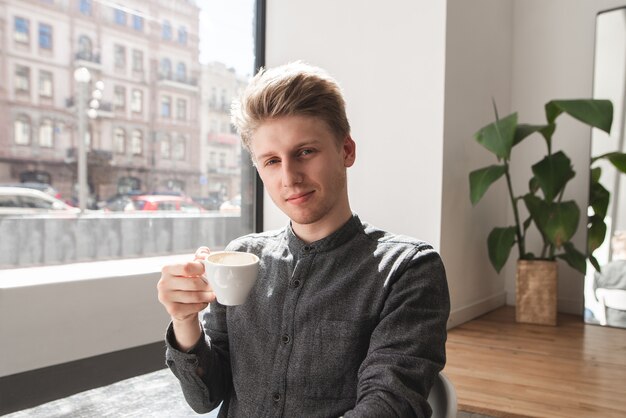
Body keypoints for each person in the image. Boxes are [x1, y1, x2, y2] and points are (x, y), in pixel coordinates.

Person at [157, 62, 450, 417]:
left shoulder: (409, 269)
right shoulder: (240, 257)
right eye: (271, 161)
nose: (289, 177)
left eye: (305, 152)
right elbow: (205, 398)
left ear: (346, 151)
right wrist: (184, 319)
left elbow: (389, 405)